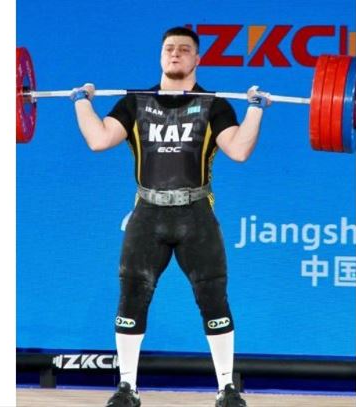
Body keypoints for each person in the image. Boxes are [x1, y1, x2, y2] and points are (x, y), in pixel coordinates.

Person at [70, 26, 271, 407]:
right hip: (148, 214)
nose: (175, 54)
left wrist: (255, 110)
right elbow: (99, 140)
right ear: (160, 56)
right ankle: (127, 388)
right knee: (132, 296)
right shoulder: (135, 103)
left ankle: (226, 389)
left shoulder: (214, 105)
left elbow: (239, 151)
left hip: (196, 216)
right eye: (169, 48)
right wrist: (82, 102)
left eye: (184, 49)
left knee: (213, 298)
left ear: (198, 59)